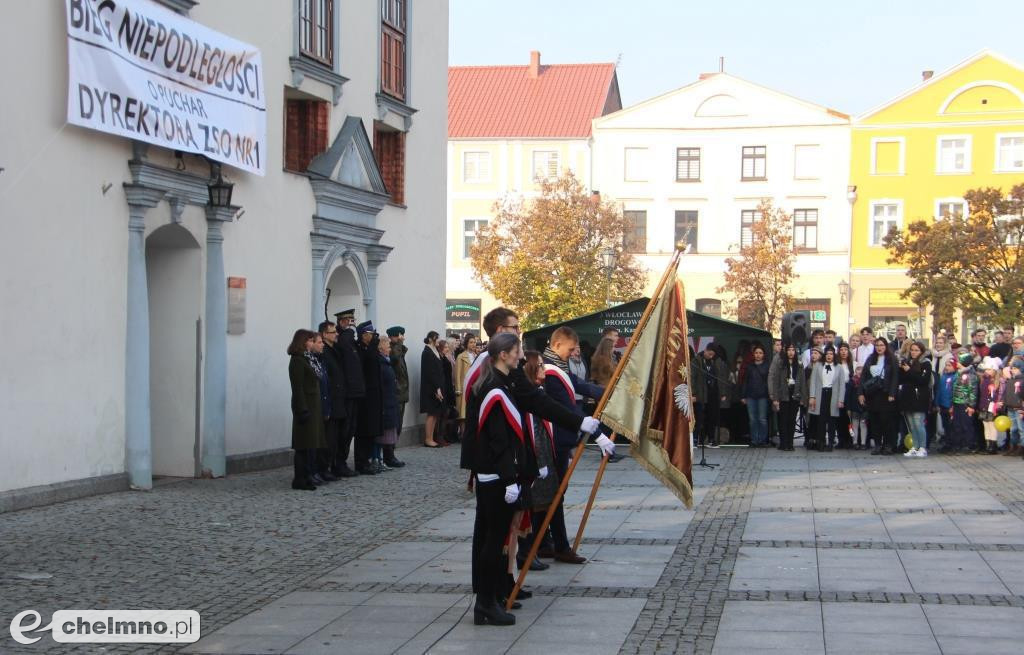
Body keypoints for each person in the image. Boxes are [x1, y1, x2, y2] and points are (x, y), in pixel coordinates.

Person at [462, 307, 603, 609]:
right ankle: (488, 593)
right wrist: (500, 469)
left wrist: (579, 422)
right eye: (515, 328)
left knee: (508, 529)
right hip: (494, 462)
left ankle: (502, 583)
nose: (519, 332)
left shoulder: (506, 368)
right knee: (490, 532)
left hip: (510, 461)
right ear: (500, 331)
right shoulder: (485, 370)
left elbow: (537, 401)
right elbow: (486, 423)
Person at [467, 333, 537, 627]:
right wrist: (510, 479)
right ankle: (485, 603)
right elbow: (499, 440)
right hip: (497, 477)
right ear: (505, 354)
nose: (521, 357)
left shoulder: (500, 382)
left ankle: (490, 600)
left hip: (498, 475)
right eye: (518, 351)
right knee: (494, 542)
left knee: (495, 541)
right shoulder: (494, 388)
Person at [541, 326, 610, 564]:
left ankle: (545, 542)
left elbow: (579, 385)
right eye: (570, 349)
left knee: (553, 494)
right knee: (554, 494)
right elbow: (566, 408)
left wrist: (608, 392)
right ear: (558, 345)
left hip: (560, 439)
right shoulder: (549, 370)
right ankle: (557, 545)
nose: (572, 353)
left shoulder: (557, 366)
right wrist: (597, 433)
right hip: (554, 440)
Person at [287, 329, 328, 490]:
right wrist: (302, 409)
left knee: (310, 444)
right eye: (310, 340)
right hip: (304, 407)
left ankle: (307, 476)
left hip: (313, 406)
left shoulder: (309, 359)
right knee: (303, 446)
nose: (312, 343)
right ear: (303, 342)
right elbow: (297, 388)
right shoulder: (297, 360)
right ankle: (300, 479)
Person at [333, 309, 366, 476]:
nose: (352, 323)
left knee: (350, 429)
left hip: (355, 392)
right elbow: (344, 347)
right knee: (344, 431)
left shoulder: (350, 341)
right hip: (348, 393)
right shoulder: (344, 340)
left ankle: (342, 461)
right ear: (342, 322)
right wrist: (347, 331)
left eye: (353, 320)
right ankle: (339, 463)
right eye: (349, 321)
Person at [316, 321, 346, 482]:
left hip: (338, 400)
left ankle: (332, 465)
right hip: (330, 400)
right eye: (333, 332)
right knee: (328, 438)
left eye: (336, 331)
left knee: (335, 437)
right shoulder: (324, 352)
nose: (336, 334)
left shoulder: (335, 350)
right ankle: (324, 467)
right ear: (324, 334)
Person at [859, 338, 900, 455]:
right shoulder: (870, 359)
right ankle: (877, 444)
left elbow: (895, 377)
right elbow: (863, 377)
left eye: (881, 345)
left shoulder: (891, 359)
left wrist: (892, 393)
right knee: (874, 420)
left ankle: (888, 445)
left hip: (886, 394)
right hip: (872, 394)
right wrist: (861, 393)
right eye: (877, 345)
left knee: (886, 421)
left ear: (886, 346)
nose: (879, 348)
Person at [355, 321, 384, 474]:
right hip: (365, 396)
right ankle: (361, 461)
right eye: (370, 335)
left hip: (374, 394)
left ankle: (366, 460)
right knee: (363, 430)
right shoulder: (360, 349)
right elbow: (368, 362)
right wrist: (373, 347)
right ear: (363, 335)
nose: (373, 338)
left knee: (371, 429)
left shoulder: (369, 349)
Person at [809, 346, 847, 451]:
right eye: (827, 354)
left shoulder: (839, 367)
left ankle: (830, 442)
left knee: (832, 420)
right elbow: (813, 382)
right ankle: (821, 442)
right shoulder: (817, 365)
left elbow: (841, 385)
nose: (829, 356)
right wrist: (812, 396)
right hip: (820, 394)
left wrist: (841, 400)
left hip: (832, 394)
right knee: (821, 420)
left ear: (834, 355)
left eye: (831, 354)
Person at [898, 341, 933, 457]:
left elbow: (923, 380)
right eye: (912, 350)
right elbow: (902, 379)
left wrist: (909, 370)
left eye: (916, 350)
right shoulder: (908, 362)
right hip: (908, 397)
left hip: (919, 397)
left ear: (921, 351)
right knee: (911, 425)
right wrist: (901, 369)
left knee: (919, 423)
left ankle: (922, 447)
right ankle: (915, 446)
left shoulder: (926, 363)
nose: (913, 352)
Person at [769, 342, 805, 451]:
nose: (791, 352)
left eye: (793, 350)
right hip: (783, 394)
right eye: (788, 350)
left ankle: (790, 443)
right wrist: (775, 398)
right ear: (785, 351)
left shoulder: (799, 364)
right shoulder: (780, 363)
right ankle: (783, 443)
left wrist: (803, 397)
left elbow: (802, 381)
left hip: (795, 393)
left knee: (792, 419)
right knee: (783, 419)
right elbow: (775, 381)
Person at [376, 334, 404, 470]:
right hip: (386, 399)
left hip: (391, 398)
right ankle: (387, 457)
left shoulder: (387, 360)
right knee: (387, 432)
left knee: (392, 429)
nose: (389, 349)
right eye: (387, 347)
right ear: (381, 348)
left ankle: (390, 455)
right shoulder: (381, 362)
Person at [693, 343, 729, 448]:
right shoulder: (696, 361)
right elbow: (692, 377)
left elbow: (721, 378)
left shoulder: (716, 362)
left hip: (713, 394)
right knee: (699, 418)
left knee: (712, 417)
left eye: (712, 354)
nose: (710, 356)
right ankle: (696, 439)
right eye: (709, 354)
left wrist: (723, 393)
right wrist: (693, 393)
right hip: (701, 394)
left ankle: (711, 439)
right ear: (705, 350)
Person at [944, 352, 979, 455]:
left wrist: (971, 406)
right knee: (957, 424)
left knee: (966, 425)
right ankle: (958, 444)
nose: (957, 363)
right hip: (957, 403)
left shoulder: (970, 375)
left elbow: (973, 391)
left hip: (965, 404)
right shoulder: (959, 373)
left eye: (959, 361)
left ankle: (968, 445)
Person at [420, 331, 446, 448]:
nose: (438, 340)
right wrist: (437, 389)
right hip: (431, 388)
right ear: (430, 339)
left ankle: (431, 438)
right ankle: (428, 439)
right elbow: (430, 373)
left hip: (437, 386)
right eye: (436, 338)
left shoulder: (434, 351)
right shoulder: (427, 352)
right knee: (431, 413)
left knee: (436, 413)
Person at [741, 345, 771, 447]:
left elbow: (769, 381)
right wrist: (743, 396)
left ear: (763, 355)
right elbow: (745, 382)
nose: (758, 355)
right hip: (750, 396)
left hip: (763, 395)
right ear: (753, 354)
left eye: (760, 353)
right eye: (756, 353)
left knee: (762, 419)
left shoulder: (767, 366)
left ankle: (762, 440)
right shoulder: (749, 366)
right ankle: (754, 439)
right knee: (752, 419)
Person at [977, 356, 1006, 455]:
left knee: (992, 426)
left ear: (994, 370)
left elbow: (1000, 394)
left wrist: (998, 403)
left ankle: (993, 446)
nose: (987, 371)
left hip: (993, 407)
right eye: (986, 369)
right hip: (984, 406)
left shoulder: (998, 381)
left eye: (989, 369)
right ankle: (988, 444)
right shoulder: (984, 380)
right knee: (986, 425)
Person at [386, 326, 410, 444]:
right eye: (399, 336)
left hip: (401, 392)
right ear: (392, 337)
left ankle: (393, 447)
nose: (402, 338)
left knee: (399, 423)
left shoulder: (399, 350)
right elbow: (394, 359)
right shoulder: (391, 349)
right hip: (396, 392)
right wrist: (399, 344)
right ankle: (390, 448)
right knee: (395, 423)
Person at [455, 333, 478, 441]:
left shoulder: (477, 356)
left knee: (473, 412)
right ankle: (463, 435)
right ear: (466, 343)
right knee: (463, 414)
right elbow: (457, 374)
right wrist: (458, 389)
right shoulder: (461, 356)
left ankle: (472, 434)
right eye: (471, 342)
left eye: (474, 342)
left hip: (475, 387)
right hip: (464, 387)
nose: (473, 344)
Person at [438, 338, 458, 443]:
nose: (456, 345)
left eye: (447, 346)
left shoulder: (448, 357)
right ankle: (442, 436)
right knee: (444, 413)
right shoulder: (444, 358)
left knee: (449, 412)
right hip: (445, 387)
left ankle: (446, 435)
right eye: (445, 347)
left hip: (449, 386)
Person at [934, 359, 956, 452]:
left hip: (950, 405)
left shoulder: (955, 377)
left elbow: (954, 393)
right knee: (945, 425)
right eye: (946, 365)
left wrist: (952, 405)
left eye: (949, 365)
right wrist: (937, 403)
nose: (947, 367)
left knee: (951, 427)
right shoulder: (943, 377)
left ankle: (952, 444)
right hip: (942, 405)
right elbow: (939, 391)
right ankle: (947, 444)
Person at [802, 347, 822, 449]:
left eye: (816, 353)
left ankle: (818, 440)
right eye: (812, 353)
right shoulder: (807, 369)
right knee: (808, 420)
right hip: (808, 398)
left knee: (819, 420)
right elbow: (803, 384)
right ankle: (808, 439)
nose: (813, 355)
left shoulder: (823, 368)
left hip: (820, 398)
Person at [847, 366, 868, 450]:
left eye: (861, 371)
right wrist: (848, 408)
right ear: (855, 372)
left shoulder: (866, 382)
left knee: (863, 425)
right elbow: (848, 396)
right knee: (854, 425)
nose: (860, 372)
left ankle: (863, 443)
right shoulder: (851, 382)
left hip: (864, 407)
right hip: (854, 407)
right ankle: (854, 442)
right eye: (858, 370)